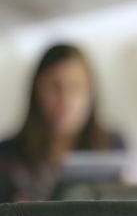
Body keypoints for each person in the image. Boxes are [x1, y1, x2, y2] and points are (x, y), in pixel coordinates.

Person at [0, 43, 125, 203]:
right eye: (54, 86)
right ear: (37, 90)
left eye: (75, 87)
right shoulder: (7, 155)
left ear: (90, 94)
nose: (65, 99)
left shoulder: (112, 146)